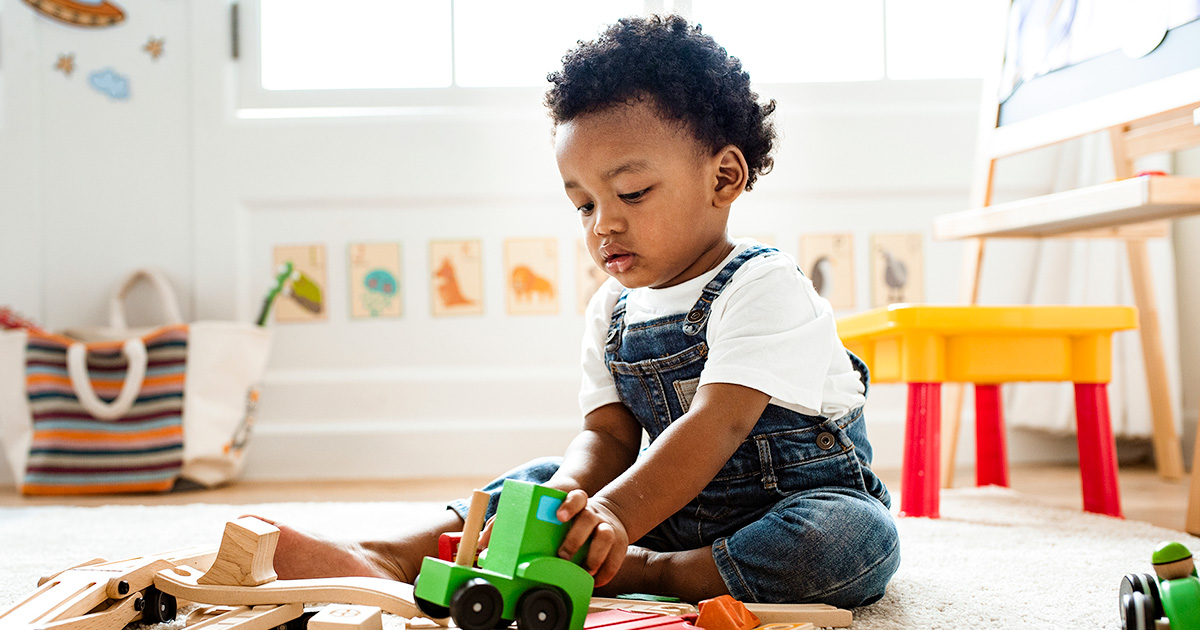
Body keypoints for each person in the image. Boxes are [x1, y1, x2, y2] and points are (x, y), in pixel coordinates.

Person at [262, 14, 899, 609]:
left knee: (851, 539)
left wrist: (618, 516)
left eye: (631, 192)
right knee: (537, 481)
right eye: (584, 205)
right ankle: (390, 556)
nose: (605, 223)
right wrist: (569, 495)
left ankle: (655, 574)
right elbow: (610, 437)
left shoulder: (765, 285)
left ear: (724, 178)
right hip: (663, 506)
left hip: (787, 505)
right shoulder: (612, 309)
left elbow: (718, 426)